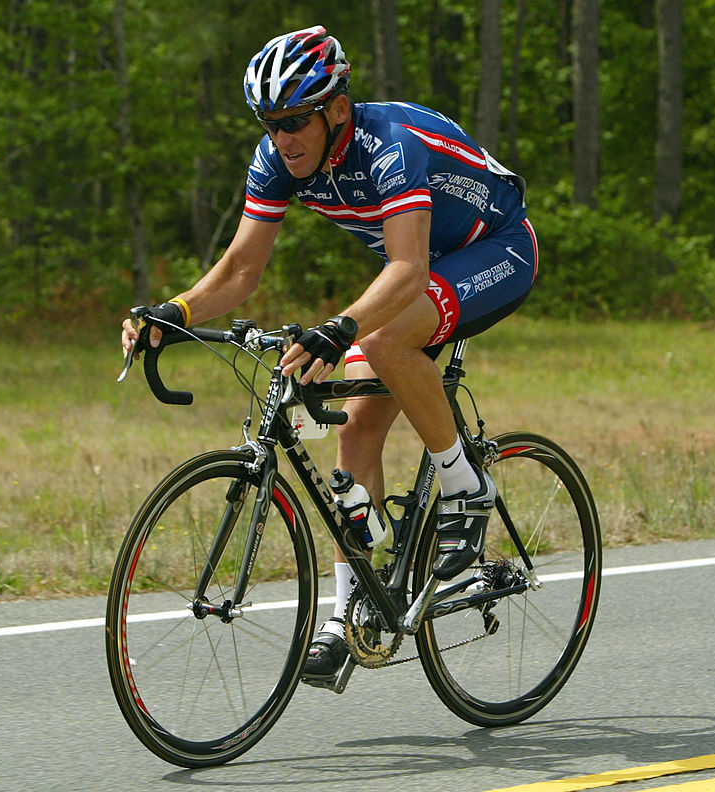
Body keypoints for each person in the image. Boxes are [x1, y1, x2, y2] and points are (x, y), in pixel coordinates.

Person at [120, 25, 538, 682]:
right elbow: (240, 269)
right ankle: (351, 620)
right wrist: (176, 312)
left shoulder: (387, 145)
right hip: (423, 271)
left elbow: (407, 266)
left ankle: (466, 487)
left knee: (377, 340)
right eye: (269, 122)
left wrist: (337, 326)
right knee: (354, 430)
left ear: (336, 109)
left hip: (496, 250)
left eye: (293, 121)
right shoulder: (276, 158)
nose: (282, 138)